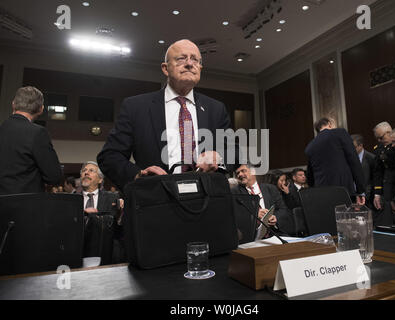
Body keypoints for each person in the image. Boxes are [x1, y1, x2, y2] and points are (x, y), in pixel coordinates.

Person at [97, 39, 238, 191]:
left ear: (200, 68)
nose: (190, 63)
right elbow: (109, 156)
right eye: (181, 59)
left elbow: (235, 152)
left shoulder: (216, 109)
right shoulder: (136, 107)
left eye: (195, 60)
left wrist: (219, 157)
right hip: (156, 201)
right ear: (165, 68)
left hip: (207, 201)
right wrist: (138, 176)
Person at [0, 86, 62, 195]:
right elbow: (54, 176)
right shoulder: (37, 133)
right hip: (23, 204)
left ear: (13, 104)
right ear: (41, 109)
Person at [305, 117, 366, 205]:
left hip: (322, 193)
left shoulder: (310, 146)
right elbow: (354, 160)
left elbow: (310, 176)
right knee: (345, 217)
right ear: (329, 124)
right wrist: (360, 190)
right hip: (343, 189)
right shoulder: (340, 133)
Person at [79, 161, 125, 265]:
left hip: (105, 254)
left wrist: (121, 214)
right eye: (84, 171)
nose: (86, 173)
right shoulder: (72, 200)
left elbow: (118, 229)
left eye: (91, 170)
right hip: (79, 252)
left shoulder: (112, 198)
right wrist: (82, 213)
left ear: (100, 179)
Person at [232, 164, 294, 238]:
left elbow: (283, 209)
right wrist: (255, 215)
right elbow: (235, 216)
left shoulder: (270, 188)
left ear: (253, 172)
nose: (240, 174)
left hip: (275, 233)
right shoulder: (235, 192)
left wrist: (275, 217)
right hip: (251, 237)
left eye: (243, 171)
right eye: (237, 173)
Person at [372, 122, 395, 225]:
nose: (379, 141)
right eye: (377, 138)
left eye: (381, 138)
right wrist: (377, 194)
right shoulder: (379, 149)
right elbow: (378, 172)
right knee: (389, 224)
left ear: (389, 133)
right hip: (387, 190)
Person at [351, 134, 376, 208]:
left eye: (354, 147)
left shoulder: (371, 158)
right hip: (352, 197)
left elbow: (373, 179)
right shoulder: (348, 158)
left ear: (360, 146)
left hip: (368, 198)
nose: (351, 150)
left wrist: (365, 195)